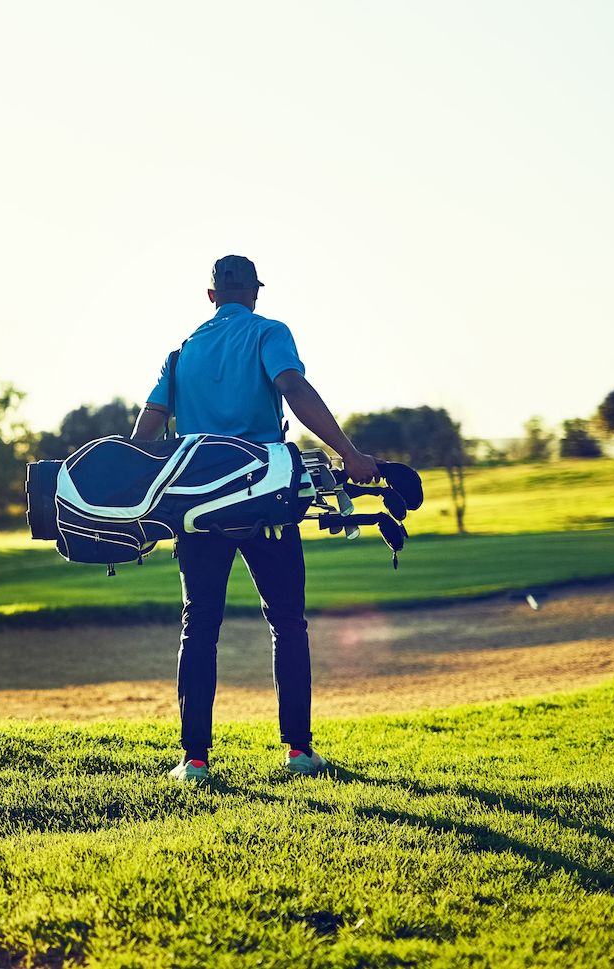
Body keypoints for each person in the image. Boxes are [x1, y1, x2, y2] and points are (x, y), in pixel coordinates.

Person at [129, 255, 379, 785]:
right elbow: (294, 388)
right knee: (287, 624)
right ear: (255, 293)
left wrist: (130, 490)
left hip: (198, 511)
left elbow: (146, 430)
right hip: (265, 501)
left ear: (212, 294)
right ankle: (298, 752)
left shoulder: (182, 354)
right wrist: (349, 453)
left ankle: (194, 760)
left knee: (199, 629)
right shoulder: (269, 332)